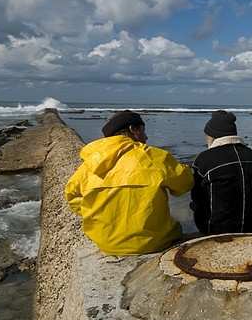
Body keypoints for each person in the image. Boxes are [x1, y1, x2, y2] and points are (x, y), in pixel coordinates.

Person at [65, 110, 193, 256]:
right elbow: (185, 184)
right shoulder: (153, 157)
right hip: (154, 242)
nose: (146, 136)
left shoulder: (89, 164)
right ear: (133, 129)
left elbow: (73, 198)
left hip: (106, 244)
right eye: (143, 131)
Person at [190, 110, 252, 235]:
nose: (205, 140)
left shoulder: (204, 159)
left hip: (216, 230)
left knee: (198, 201)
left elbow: (197, 196)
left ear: (212, 136)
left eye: (206, 136)